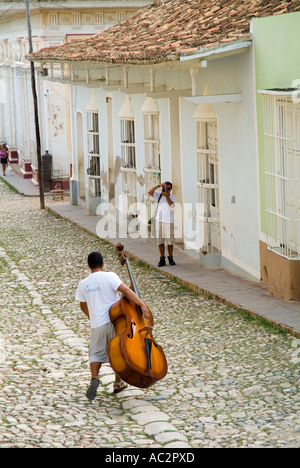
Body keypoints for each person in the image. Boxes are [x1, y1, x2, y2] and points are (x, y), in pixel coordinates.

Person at [75, 251, 150, 401]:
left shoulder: (84, 283)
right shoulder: (110, 276)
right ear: (103, 264)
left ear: (89, 266)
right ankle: (117, 383)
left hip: (97, 325)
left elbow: (82, 305)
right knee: (119, 353)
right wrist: (142, 304)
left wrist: (92, 317)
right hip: (115, 322)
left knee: (95, 354)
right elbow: (126, 291)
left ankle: (95, 378)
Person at [148, 181, 176, 267]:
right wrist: (158, 186)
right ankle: (162, 258)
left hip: (168, 221)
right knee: (160, 241)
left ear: (171, 189)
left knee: (170, 241)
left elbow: (172, 206)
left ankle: (170, 257)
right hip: (159, 220)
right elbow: (149, 192)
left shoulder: (172, 197)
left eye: (168, 189)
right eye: (165, 188)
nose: (166, 190)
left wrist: (167, 196)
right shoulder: (158, 195)